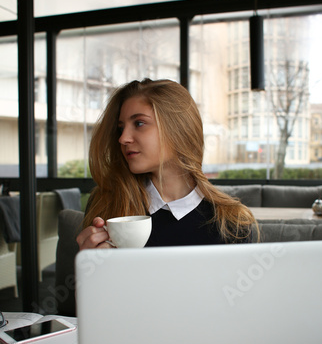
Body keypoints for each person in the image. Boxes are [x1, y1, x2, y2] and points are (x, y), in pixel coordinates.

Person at [76, 78, 257, 250]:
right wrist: (87, 265)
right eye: (121, 128)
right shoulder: (106, 204)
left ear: (178, 129)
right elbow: (87, 282)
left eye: (139, 123)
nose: (123, 138)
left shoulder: (232, 222)